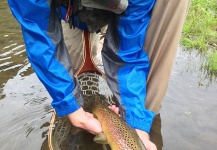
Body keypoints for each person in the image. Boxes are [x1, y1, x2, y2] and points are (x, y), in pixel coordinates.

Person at [8, 0, 190, 149]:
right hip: (64, 10)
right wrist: (70, 105)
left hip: (117, 9)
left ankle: (140, 112)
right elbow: (39, 34)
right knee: (68, 69)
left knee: (135, 104)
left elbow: (129, 52)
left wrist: (136, 120)